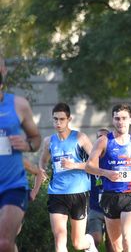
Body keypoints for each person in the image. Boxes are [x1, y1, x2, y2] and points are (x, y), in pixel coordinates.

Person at [85, 103, 131, 252]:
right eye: (117, 118)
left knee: (127, 238)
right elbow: (88, 166)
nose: (121, 122)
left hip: (130, 196)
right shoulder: (104, 141)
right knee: (117, 246)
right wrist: (105, 173)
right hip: (110, 197)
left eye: (124, 118)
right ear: (113, 120)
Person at [32, 102, 97, 252]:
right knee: (60, 238)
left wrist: (74, 165)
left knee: (77, 243)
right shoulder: (49, 141)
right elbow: (43, 159)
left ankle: (89, 242)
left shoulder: (80, 138)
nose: (58, 123)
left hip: (78, 192)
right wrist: (42, 169)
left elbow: (95, 162)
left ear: (69, 119)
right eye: (55, 119)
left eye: (62, 119)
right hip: (57, 192)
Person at [0, 59, 41, 252]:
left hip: (12, 185)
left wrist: (27, 144)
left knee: (4, 242)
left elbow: (36, 138)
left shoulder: (18, 104)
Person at [86, 128, 113, 251]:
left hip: (113, 207)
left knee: (111, 243)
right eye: (99, 137)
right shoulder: (90, 160)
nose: (101, 140)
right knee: (95, 239)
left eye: (104, 137)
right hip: (95, 208)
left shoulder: (114, 159)